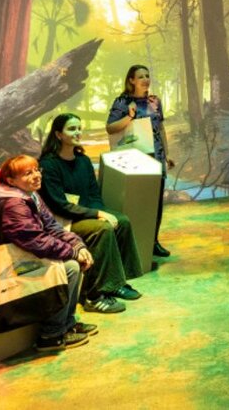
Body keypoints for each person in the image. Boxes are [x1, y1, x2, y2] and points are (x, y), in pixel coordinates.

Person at [0, 155, 96, 352]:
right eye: (28, 173)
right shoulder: (14, 204)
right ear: (11, 181)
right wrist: (71, 253)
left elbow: (53, 227)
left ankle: (67, 324)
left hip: (22, 256)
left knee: (74, 262)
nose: (37, 176)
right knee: (70, 268)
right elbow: (34, 240)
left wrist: (78, 247)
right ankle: (51, 334)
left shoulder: (30, 196)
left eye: (37, 170)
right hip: (3, 266)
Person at [39, 113, 143, 312]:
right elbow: (60, 205)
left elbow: (94, 194)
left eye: (79, 128)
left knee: (122, 221)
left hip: (84, 212)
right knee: (101, 229)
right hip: (64, 220)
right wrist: (97, 216)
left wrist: (101, 211)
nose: (77, 132)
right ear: (58, 135)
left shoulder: (83, 161)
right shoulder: (48, 164)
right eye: (71, 129)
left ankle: (118, 282)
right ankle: (96, 294)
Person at [106, 65, 175, 258]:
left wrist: (167, 154)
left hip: (157, 157)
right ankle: (134, 244)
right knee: (137, 200)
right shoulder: (122, 101)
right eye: (140, 76)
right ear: (131, 80)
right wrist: (129, 116)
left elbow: (160, 128)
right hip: (135, 159)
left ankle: (153, 241)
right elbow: (110, 128)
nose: (145, 79)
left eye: (147, 76)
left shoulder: (155, 101)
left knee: (156, 203)